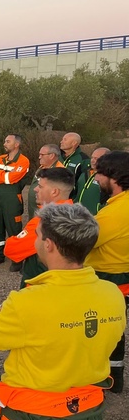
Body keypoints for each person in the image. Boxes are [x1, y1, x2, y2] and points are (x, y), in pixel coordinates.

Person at [0, 203, 125, 420]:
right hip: (90, 419)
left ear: (50, 244)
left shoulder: (28, 301)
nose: (34, 240)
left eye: (37, 234)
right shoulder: (112, 294)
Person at [85, 151, 129, 393]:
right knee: (115, 327)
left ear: (114, 177)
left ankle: (102, 380)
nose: (96, 178)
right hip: (121, 276)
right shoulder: (120, 206)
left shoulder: (115, 213)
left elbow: (86, 240)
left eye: (100, 173)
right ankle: (115, 377)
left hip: (108, 277)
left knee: (100, 329)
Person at [5, 168, 74, 288]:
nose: (36, 189)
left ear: (54, 192)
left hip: (38, 286)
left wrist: (13, 239)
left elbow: (11, 250)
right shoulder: (77, 216)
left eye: (40, 186)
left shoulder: (41, 223)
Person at [0, 134, 30, 264]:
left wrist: (0, 175)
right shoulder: (1, 158)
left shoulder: (23, 161)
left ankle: (17, 260)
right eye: (4, 141)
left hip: (13, 198)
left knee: (14, 228)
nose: (4, 144)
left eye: (8, 141)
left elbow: (12, 178)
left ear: (16, 144)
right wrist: (4, 176)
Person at [27, 143, 63, 219]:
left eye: (42, 155)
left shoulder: (59, 171)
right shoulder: (42, 167)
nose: (39, 157)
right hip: (34, 208)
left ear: (52, 156)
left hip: (45, 212)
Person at [77, 147, 110, 215]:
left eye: (97, 159)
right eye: (92, 157)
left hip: (96, 218)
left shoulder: (109, 177)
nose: (93, 161)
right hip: (78, 215)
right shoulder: (84, 172)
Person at [60, 131, 91, 196]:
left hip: (70, 198)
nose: (61, 142)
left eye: (65, 140)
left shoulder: (84, 159)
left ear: (74, 143)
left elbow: (84, 182)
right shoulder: (57, 156)